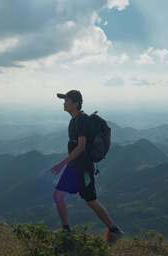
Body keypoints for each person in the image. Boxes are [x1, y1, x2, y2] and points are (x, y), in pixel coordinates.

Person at [50, 89, 124, 245]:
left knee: (88, 200)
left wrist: (60, 164)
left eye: (67, 100)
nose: (64, 103)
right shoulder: (74, 120)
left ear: (75, 104)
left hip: (82, 168)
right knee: (64, 196)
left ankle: (113, 230)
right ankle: (68, 230)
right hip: (76, 166)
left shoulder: (81, 120)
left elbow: (81, 147)